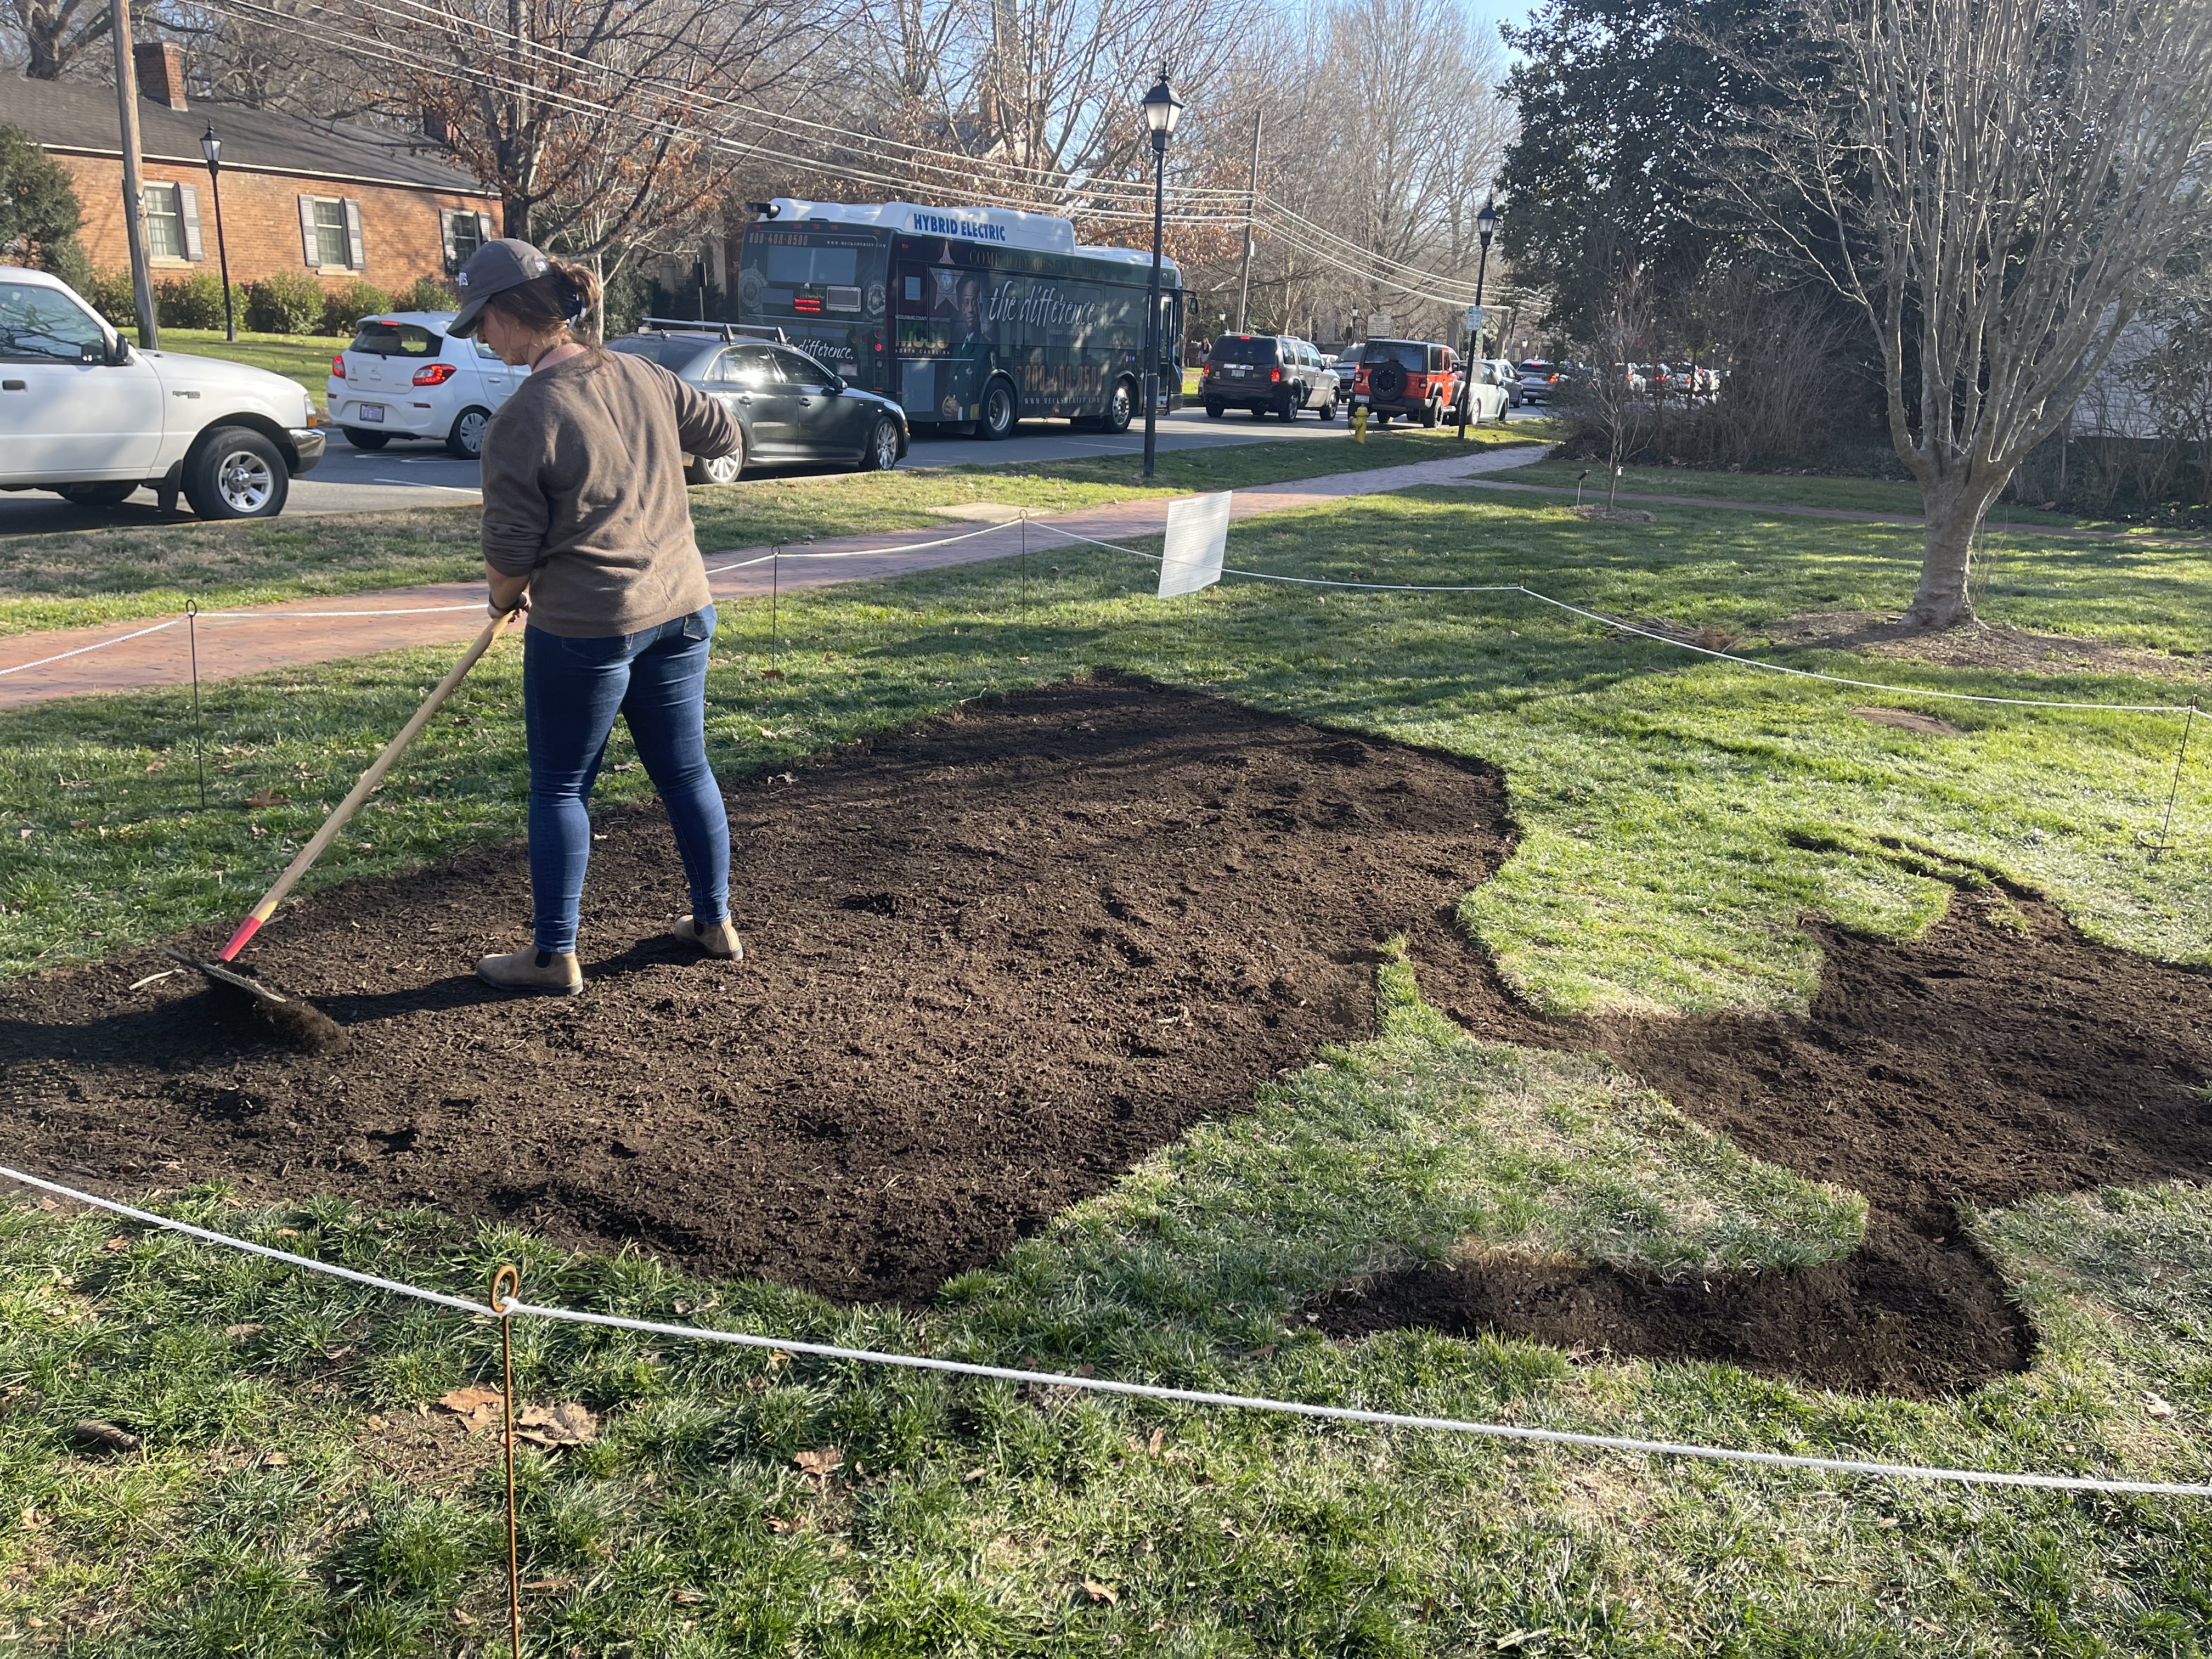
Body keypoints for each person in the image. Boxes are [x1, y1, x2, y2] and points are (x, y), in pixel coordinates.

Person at [448, 237, 744, 995]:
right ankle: (714, 923)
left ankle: (553, 957)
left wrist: (502, 597)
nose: (482, 337)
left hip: (589, 628)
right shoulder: (642, 373)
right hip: (681, 606)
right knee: (684, 770)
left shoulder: (525, 415)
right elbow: (724, 435)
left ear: (517, 316)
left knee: (560, 786)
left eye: (483, 322)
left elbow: (510, 548)